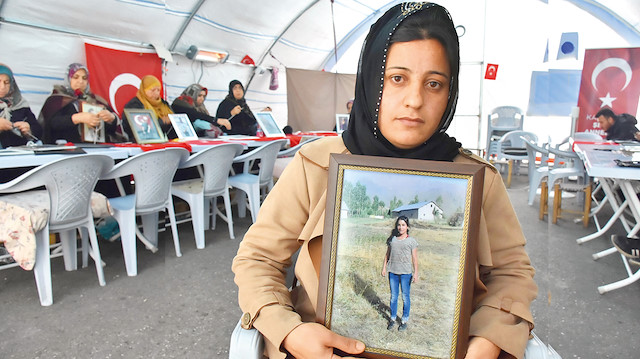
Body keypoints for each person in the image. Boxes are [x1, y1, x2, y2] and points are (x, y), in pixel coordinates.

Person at [232, 3, 536, 359]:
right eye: (397, 78)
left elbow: (512, 273)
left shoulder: (478, 180)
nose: (415, 100)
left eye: (434, 84)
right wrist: (290, 332)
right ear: (371, 78)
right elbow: (258, 260)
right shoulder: (315, 165)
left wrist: (489, 340)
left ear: (450, 92)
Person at [40, 63, 121, 144]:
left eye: (84, 78)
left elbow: (109, 130)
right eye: (75, 77)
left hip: (95, 149)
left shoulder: (97, 100)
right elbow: (51, 125)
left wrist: (111, 118)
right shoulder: (57, 99)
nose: (80, 81)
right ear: (68, 79)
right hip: (66, 150)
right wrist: (77, 118)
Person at [381, 216, 418, 331]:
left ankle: (404, 320)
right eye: (399, 225)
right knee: (393, 297)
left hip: (406, 274)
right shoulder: (392, 239)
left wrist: (416, 273)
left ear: (407, 227)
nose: (400, 227)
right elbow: (387, 255)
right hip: (393, 272)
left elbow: (415, 258)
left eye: (403, 225)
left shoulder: (411, 241)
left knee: (405, 297)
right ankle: (392, 319)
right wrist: (384, 268)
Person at [0, 64, 42, 148]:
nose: (2, 87)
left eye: (7, 83)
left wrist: (29, 130)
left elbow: (39, 131)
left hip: (18, 157)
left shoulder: (20, 104)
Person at [123, 75, 175, 139]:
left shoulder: (164, 104)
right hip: (142, 142)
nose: (156, 93)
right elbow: (137, 128)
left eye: (158, 90)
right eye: (152, 90)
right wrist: (162, 121)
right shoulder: (135, 105)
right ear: (144, 90)